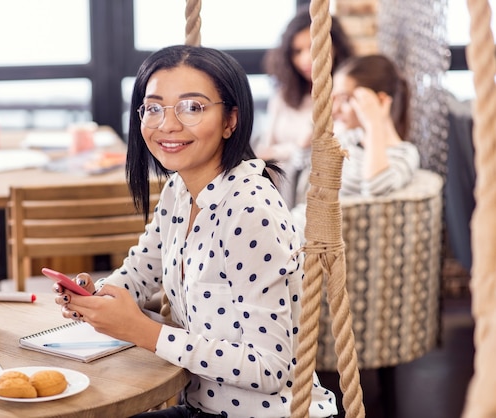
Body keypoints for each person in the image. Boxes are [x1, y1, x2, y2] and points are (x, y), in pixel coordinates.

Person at [53, 45, 337, 417]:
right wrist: (98, 297)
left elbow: (270, 368)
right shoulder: (179, 190)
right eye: (153, 108)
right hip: (201, 407)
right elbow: (140, 271)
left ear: (230, 120)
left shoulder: (250, 211)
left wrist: (143, 331)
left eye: (193, 107)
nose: (167, 125)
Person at [291, 53, 421, 238]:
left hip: (324, 240)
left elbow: (376, 188)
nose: (336, 109)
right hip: (297, 224)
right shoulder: (349, 138)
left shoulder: (404, 153)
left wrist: (374, 123)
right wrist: (321, 113)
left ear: (381, 101)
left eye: (345, 99)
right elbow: (301, 160)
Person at [255, 6, 354, 208]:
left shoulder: (343, 96)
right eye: (296, 51)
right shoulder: (283, 96)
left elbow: (340, 150)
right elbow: (264, 150)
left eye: (311, 48)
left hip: (323, 192)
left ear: (335, 46)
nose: (305, 60)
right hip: (277, 190)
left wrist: (283, 151)